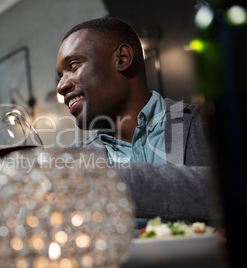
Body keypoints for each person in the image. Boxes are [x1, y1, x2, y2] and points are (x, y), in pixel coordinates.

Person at [56, 17, 213, 226]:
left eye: (73, 66)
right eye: (60, 76)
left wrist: (95, 179)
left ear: (122, 58)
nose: (61, 86)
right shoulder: (66, 162)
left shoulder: (206, 123)